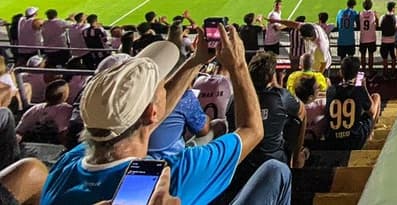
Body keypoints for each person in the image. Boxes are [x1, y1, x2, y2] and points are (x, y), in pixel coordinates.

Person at [41, 27, 292, 205]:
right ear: (153, 112)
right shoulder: (171, 175)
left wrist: (196, 62)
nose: (164, 86)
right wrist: (238, 64)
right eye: (161, 85)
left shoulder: (66, 167)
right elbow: (252, 129)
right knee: (276, 171)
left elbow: (140, 121)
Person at [228, 52, 306, 172]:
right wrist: (296, 154)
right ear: (271, 76)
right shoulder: (280, 97)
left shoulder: (236, 98)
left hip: (242, 162)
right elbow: (302, 112)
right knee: (294, 120)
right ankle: (294, 161)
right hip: (273, 161)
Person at [324, 56, 380, 150]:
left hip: (332, 139)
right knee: (376, 97)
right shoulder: (358, 90)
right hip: (354, 139)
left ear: (341, 72)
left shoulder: (330, 90)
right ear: (357, 74)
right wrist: (364, 87)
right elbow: (372, 111)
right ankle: (369, 135)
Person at [147, 87, 210, 158]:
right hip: (172, 160)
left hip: (139, 157)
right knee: (218, 125)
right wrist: (207, 117)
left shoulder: (141, 95)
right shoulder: (184, 96)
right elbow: (203, 130)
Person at [16, 79, 73, 146]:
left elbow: (19, 131)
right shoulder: (65, 109)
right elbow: (63, 134)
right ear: (63, 95)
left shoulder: (34, 109)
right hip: (52, 146)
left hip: (30, 144)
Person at [379, 2, 397, 77]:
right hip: (392, 40)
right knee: (393, 57)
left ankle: (385, 73)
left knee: (385, 58)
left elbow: (380, 26)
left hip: (384, 40)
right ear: (393, 8)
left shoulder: (382, 17)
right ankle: (393, 72)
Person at [358, 0, 378, 74]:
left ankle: (363, 70)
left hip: (363, 38)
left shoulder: (360, 13)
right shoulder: (373, 14)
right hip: (371, 38)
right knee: (371, 54)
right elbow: (377, 23)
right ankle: (370, 70)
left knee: (363, 54)